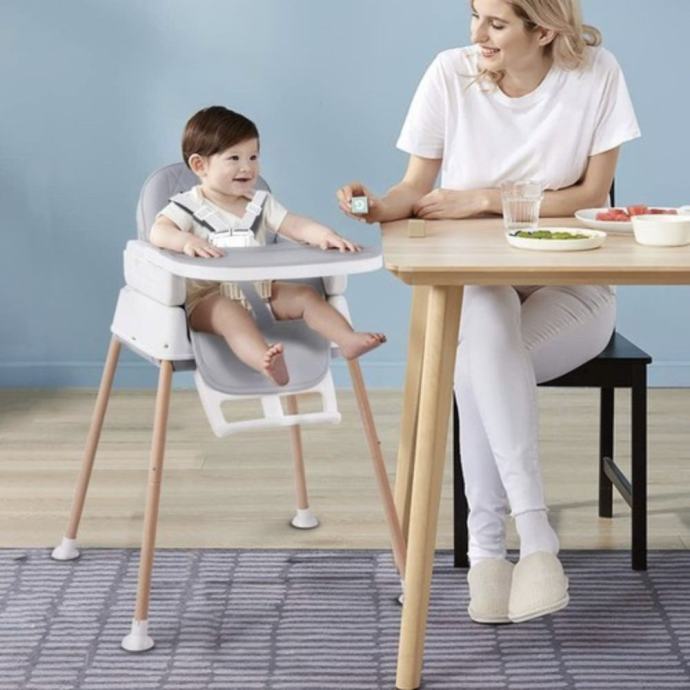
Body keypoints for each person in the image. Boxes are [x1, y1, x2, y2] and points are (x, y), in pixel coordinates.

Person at [337, 0, 640, 624]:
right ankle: (533, 542)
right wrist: (377, 206)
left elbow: (590, 194)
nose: (477, 34)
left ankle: (488, 552)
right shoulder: (451, 73)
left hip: (576, 288)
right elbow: (414, 188)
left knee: (475, 368)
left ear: (544, 29)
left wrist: (481, 200)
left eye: (496, 23)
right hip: (482, 287)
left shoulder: (597, 73)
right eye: (475, 15)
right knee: (481, 332)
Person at [150, 106, 386, 386]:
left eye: (253, 157)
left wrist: (325, 235)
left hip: (262, 290)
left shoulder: (260, 203)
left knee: (306, 296)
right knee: (230, 316)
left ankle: (347, 339)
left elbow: (295, 225)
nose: (247, 167)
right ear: (200, 165)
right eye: (234, 158)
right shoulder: (187, 205)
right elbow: (158, 231)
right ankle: (265, 360)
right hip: (208, 299)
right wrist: (187, 241)